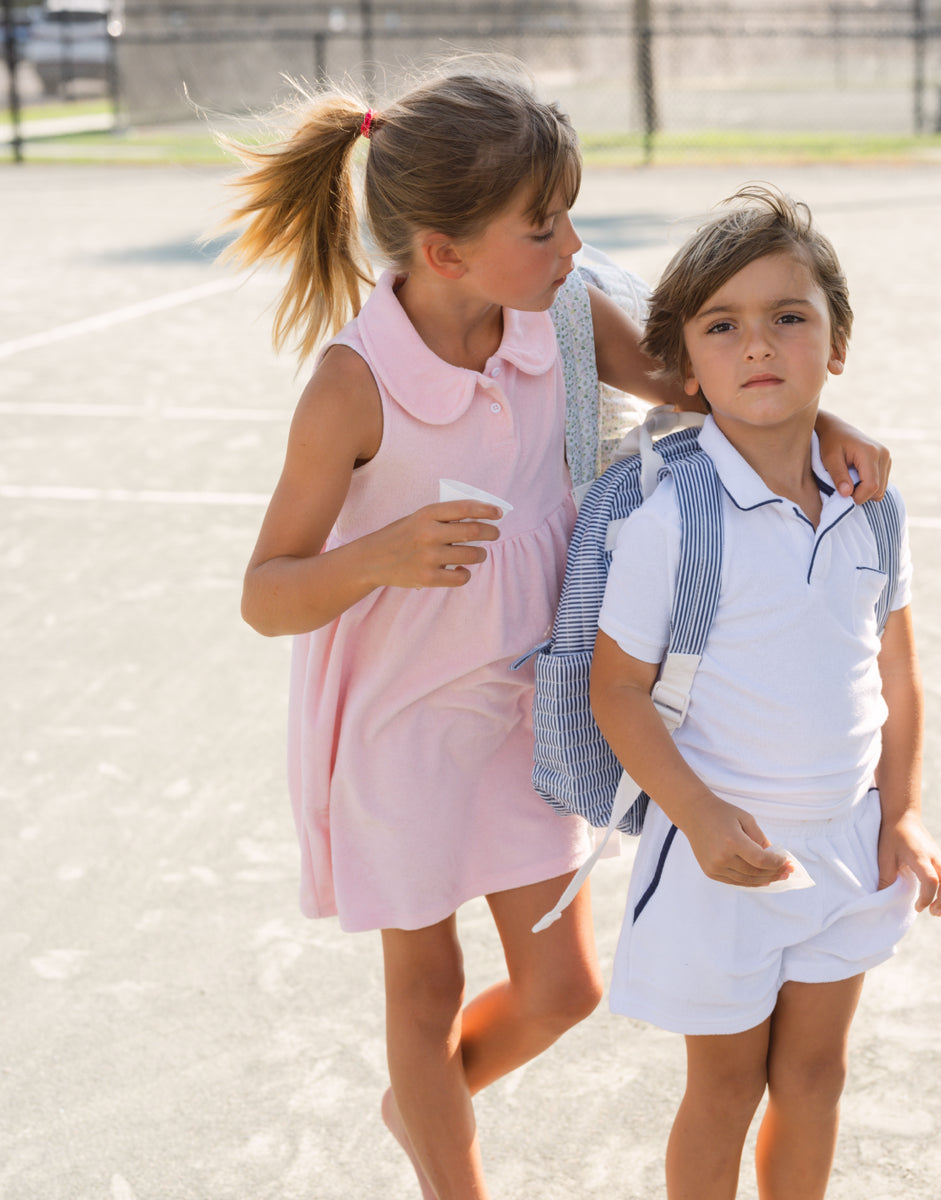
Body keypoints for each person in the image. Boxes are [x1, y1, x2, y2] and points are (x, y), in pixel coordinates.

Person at [220, 65, 895, 1200]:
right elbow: (265, 591)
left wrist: (819, 410)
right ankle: (451, 1171)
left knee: (561, 992)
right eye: (544, 226)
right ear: (444, 253)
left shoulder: (560, 316)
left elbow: (702, 386)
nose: (575, 244)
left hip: (537, 709)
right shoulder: (352, 386)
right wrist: (381, 557)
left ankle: (420, 1104)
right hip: (400, 726)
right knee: (423, 996)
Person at [590, 184, 941, 1200]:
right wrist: (702, 819)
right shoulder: (671, 517)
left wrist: (909, 809)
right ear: (688, 368)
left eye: (788, 317)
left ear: (836, 344)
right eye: (724, 326)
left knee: (815, 1075)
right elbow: (615, 690)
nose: (758, 345)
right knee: (723, 1091)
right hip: (723, 859)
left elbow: (896, 668)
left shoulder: (871, 505)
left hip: (850, 846)